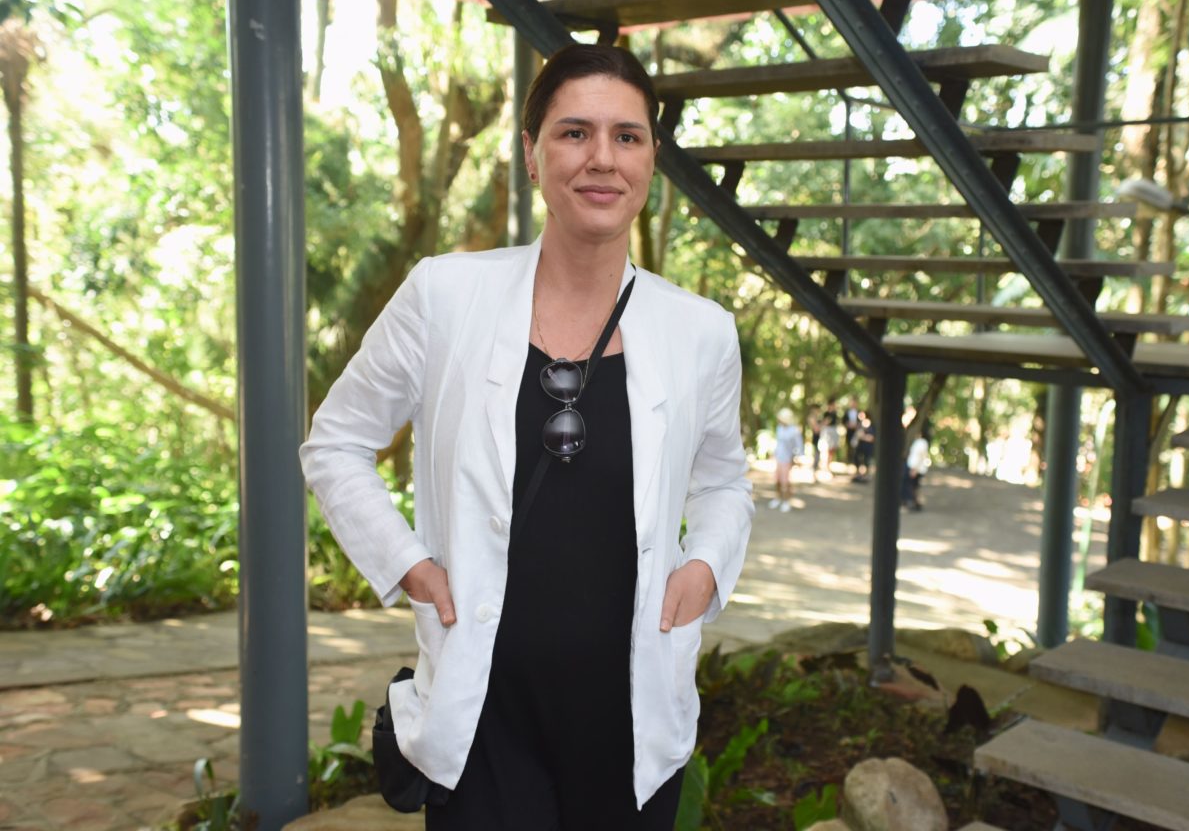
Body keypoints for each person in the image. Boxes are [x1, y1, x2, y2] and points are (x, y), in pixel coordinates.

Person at [299, 44, 753, 829]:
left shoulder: (701, 332)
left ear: (650, 159)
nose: (602, 158)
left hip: (633, 717)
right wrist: (406, 564)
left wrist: (705, 567)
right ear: (533, 156)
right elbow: (335, 443)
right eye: (574, 133)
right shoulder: (445, 296)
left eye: (627, 136)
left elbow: (723, 482)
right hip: (484, 718)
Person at [770, 407, 801, 512]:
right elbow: (778, 443)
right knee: (777, 480)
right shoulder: (779, 428)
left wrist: (796, 458)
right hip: (779, 457)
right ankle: (778, 498)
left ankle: (786, 501)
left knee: (785, 481)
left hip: (787, 458)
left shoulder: (794, 431)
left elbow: (798, 445)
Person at [903, 421, 933, 511]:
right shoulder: (920, 442)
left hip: (915, 468)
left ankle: (913, 503)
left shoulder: (921, 442)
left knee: (912, 487)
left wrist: (915, 469)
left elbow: (920, 456)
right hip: (915, 467)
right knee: (914, 487)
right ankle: (916, 503)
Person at [851, 411, 875, 482]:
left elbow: (872, 438)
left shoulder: (870, 426)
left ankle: (865, 476)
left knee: (866, 460)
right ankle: (859, 475)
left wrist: (862, 437)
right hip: (860, 446)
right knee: (857, 459)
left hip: (867, 447)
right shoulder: (859, 425)